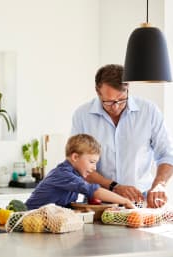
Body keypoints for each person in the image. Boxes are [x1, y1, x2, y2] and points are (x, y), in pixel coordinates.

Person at [71, 64, 173, 208]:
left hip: (140, 200)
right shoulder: (82, 115)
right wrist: (115, 187)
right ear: (98, 92)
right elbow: (79, 165)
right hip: (99, 201)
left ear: (128, 89)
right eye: (109, 102)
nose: (116, 106)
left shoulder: (149, 111)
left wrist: (159, 184)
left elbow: (166, 155)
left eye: (121, 99)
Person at [25, 134, 135, 210]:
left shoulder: (75, 175)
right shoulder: (63, 174)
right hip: (28, 219)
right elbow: (95, 191)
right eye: (92, 162)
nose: (95, 168)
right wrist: (125, 201)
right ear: (75, 157)